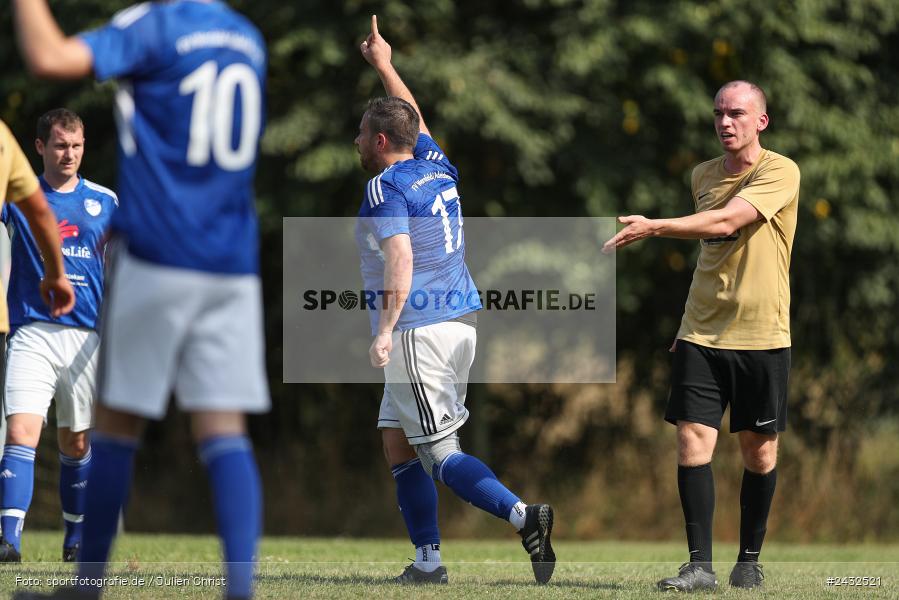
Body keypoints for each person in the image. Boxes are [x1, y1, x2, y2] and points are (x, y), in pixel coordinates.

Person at [11, 1, 270, 598]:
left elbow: (49, 57)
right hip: (231, 260)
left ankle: (88, 586)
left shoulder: (154, 25)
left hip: (157, 255)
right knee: (225, 430)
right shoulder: (247, 38)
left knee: (116, 427)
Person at [355, 16, 555, 586]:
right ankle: (427, 562)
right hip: (458, 320)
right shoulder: (436, 168)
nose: (357, 142)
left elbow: (400, 260)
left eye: (361, 134)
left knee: (440, 453)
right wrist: (385, 64)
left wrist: (384, 329)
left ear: (380, 142)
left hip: (418, 327)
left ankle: (524, 516)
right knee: (398, 442)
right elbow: (413, 121)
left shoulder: (384, 185)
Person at [603, 80, 800, 592]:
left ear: (761, 121)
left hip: (762, 336)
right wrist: (685, 324)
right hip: (701, 334)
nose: (724, 123)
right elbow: (711, 251)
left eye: (736, 113)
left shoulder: (780, 171)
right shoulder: (702, 175)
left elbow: (726, 221)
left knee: (759, 453)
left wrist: (655, 227)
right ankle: (700, 566)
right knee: (692, 442)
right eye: (718, 113)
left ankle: (749, 559)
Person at [0, 109, 116, 565]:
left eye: (77, 145)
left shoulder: (105, 201)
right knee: (20, 430)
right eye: (60, 145)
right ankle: (8, 540)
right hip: (31, 330)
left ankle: (75, 538)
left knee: (77, 443)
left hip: (87, 337)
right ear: (39, 148)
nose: (69, 154)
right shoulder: (16, 199)